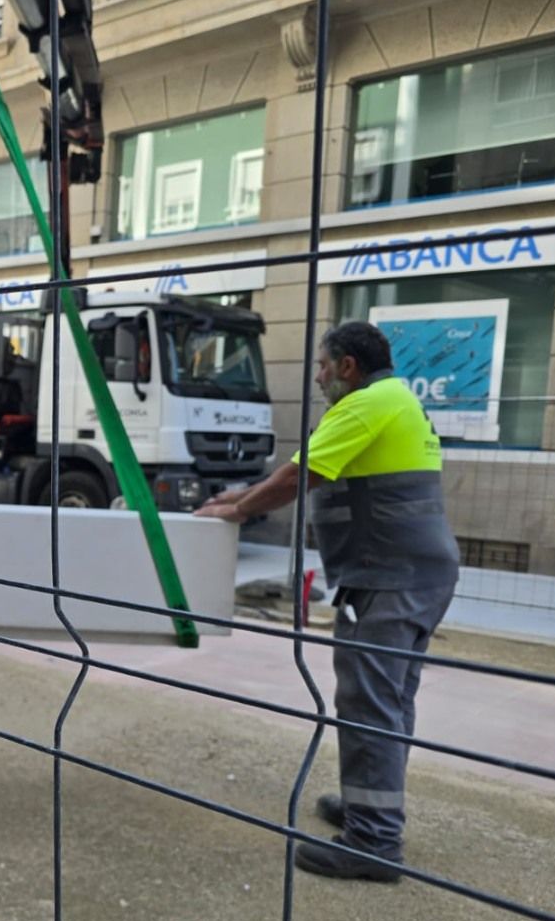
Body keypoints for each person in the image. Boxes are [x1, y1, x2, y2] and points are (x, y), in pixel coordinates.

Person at [195, 321, 459, 882]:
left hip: (390, 579)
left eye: (321, 365)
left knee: (369, 704)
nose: (316, 377)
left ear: (347, 367)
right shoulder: (391, 399)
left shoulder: (365, 405)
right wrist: (238, 495)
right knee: (389, 701)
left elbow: (298, 476)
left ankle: (373, 844)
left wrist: (238, 511)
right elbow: (296, 469)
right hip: (411, 575)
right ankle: (372, 809)